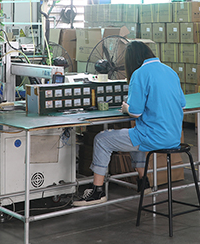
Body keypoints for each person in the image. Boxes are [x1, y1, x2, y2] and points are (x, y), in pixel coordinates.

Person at [74, 41, 186, 206]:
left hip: (153, 137)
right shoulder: (170, 71)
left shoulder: (140, 74)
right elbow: (182, 104)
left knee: (101, 139)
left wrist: (126, 107)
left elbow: (135, 112)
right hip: (174, 138)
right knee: (135, 134)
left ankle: (97, 191)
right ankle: (143, 182)